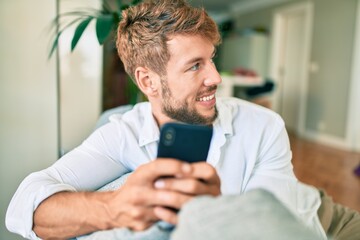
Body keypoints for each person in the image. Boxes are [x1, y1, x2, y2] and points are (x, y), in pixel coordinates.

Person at [5, 0, 359, 239]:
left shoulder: (264, 125)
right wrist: (114, 207)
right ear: (147, 81)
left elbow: (267, 229)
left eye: (211, 58)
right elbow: (23, 206)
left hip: (321, 221)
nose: (216, 77)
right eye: (195, 66)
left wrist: (215, 208)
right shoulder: (124, 134)